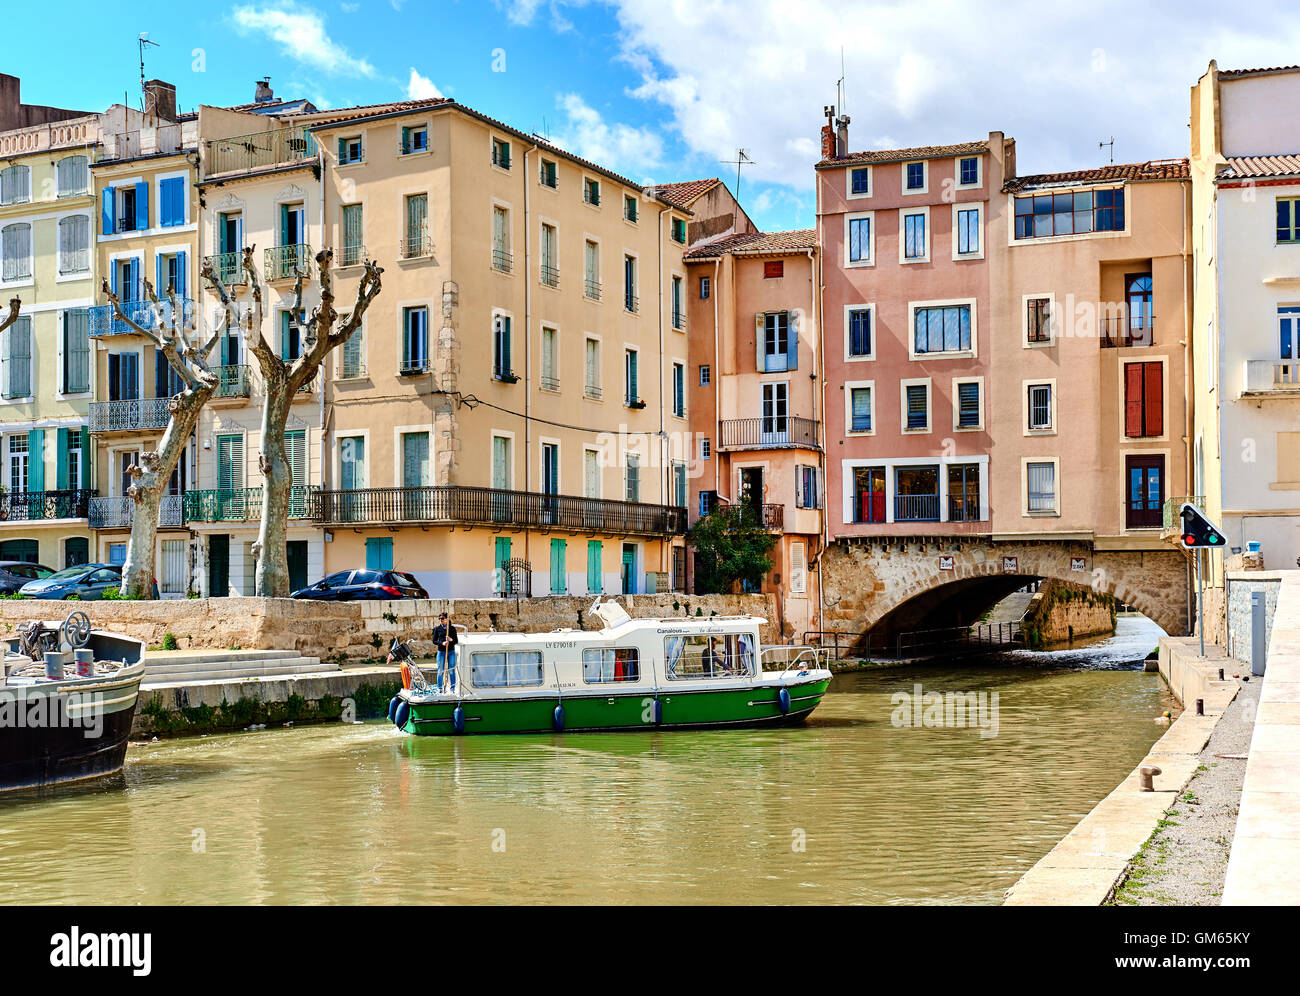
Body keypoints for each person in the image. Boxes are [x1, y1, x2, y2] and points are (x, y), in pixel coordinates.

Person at [432, 611, 458, 692]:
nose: (441, 620)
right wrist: (442, 643)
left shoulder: (452, 629)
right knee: (440, 671)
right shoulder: (437, 629)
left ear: (447, 619)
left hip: (451, 652)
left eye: (442, 618)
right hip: (441, 652)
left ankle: (452, 687)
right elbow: (434, 641)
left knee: (451, 670)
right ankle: (439, 687)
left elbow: (456, 641)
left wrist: (451, 640)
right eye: (439, 618)